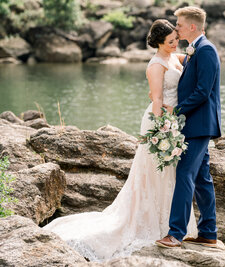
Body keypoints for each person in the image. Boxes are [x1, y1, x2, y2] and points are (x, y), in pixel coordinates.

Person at [42, 19, 198, 262]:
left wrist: (196, 48)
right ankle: (152, 225)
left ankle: (172, 225)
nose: (175, 43)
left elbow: (189, 60)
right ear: (158, 42)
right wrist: (160, 131)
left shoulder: (173, 57)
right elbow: (156, 99)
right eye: (170, 41)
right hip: (161, 122)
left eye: (176, 39)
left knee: (170, 175)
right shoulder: (156, 65)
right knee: (153, 174)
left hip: (174, 121)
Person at [155, 6, 222, 248]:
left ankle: (175, 234)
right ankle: (208, 233)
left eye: (180, 24)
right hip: (194, 123)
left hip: (199, 124)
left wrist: (177, 110)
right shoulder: (195, 50)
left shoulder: (205, 51)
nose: (177, 28)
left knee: (184, 175)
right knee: (202, 178)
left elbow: (203, 92)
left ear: (192, 27)